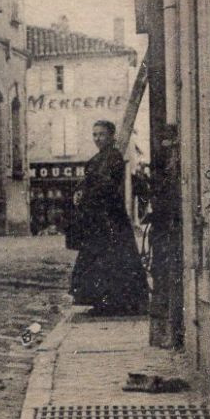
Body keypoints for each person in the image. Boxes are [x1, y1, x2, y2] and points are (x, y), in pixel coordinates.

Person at [68, 120, 149, 316]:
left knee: (112, 259)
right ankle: (103, 301)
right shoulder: (99, 158)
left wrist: (86, 194)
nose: (97, 138)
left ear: (112, 136)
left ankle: (114, 302)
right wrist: (80, 191)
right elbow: (88, 183)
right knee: (100, 259)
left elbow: (107, 187)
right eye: (94, 134)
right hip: (98, 218)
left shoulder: (114, 158)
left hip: (109, 218)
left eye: (101, 134)